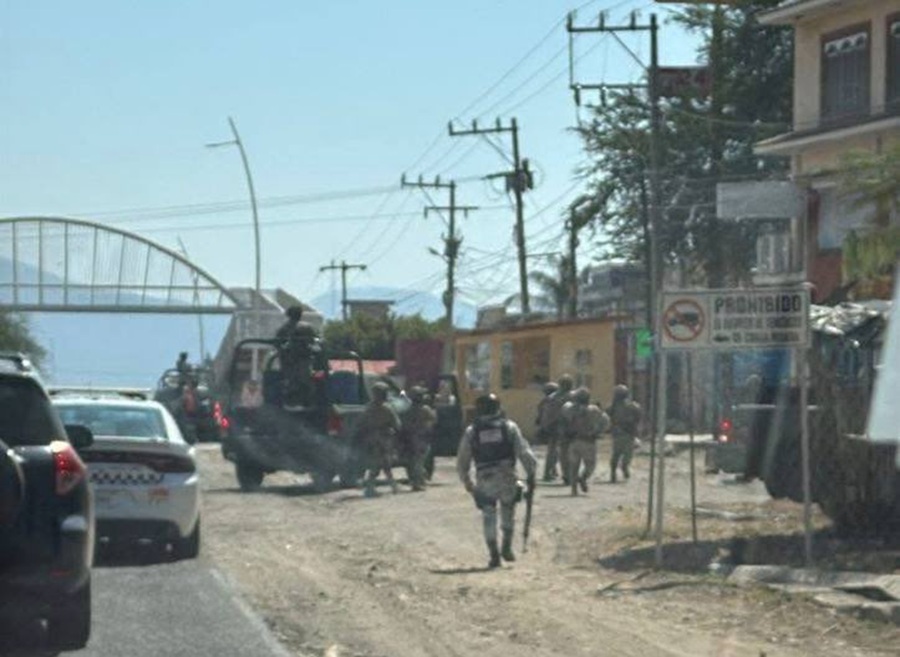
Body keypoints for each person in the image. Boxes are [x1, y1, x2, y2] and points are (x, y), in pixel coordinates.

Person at [456, 393, 537, 569]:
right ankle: (506, 546)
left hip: (485, 477)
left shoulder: (472, 431)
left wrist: (466, 480)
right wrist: (531, 473)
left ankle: (494, 555)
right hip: (507, 474)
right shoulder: (509, 427)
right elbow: (524, 452)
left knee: (488, 514)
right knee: (508, 511)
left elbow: (463, 458)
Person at [357, 382, 401, 497]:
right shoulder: (387, 409)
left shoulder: (368, 408)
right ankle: (382, 487)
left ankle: (389, 486)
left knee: (378, 464)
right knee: (382, 464)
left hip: (371, 439)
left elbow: (361, 424)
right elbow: (397, 425)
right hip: (383, 439)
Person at [561, 387, 609, 496]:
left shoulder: (570, 408)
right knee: (590, 466)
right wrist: (598, 432)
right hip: (589, 441)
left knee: (574, 466)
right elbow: (606, 422)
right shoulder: (594, 410)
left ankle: (574, 490)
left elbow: (564, 411)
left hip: (574, 441)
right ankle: (583, 478)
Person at [400, 386, 437, 491]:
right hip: (420, 438)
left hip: (412, 438)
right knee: (418, 462)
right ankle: (417, 482)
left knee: (415, 461)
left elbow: (404, 424)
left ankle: (418, 480)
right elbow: (434, 420)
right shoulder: (424, 409)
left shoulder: (408, 410)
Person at [607, 384, 642, 483]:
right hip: (627, 434)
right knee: (626, 455)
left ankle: (615, 472)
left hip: (620, 433)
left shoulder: (615, 407)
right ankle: (623, 469)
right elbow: (638, 417)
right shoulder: (632, 406)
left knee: (616, 455)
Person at [545, 374, 575, 484]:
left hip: (557, 427)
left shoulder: (552, 397)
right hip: (566, 428)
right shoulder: (573, 396)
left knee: (558, 452)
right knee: (566, 452)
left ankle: (555, 473)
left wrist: (547, 425)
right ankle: (568, 475)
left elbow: (547, 414)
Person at [535, 382, 559, 479]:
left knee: (554, 451)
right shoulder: (551, 401)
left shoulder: (543, 402)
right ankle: (547, 473)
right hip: (553, 428)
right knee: (553, 451)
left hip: (548, 428)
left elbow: (539, 417)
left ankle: (553, 470)